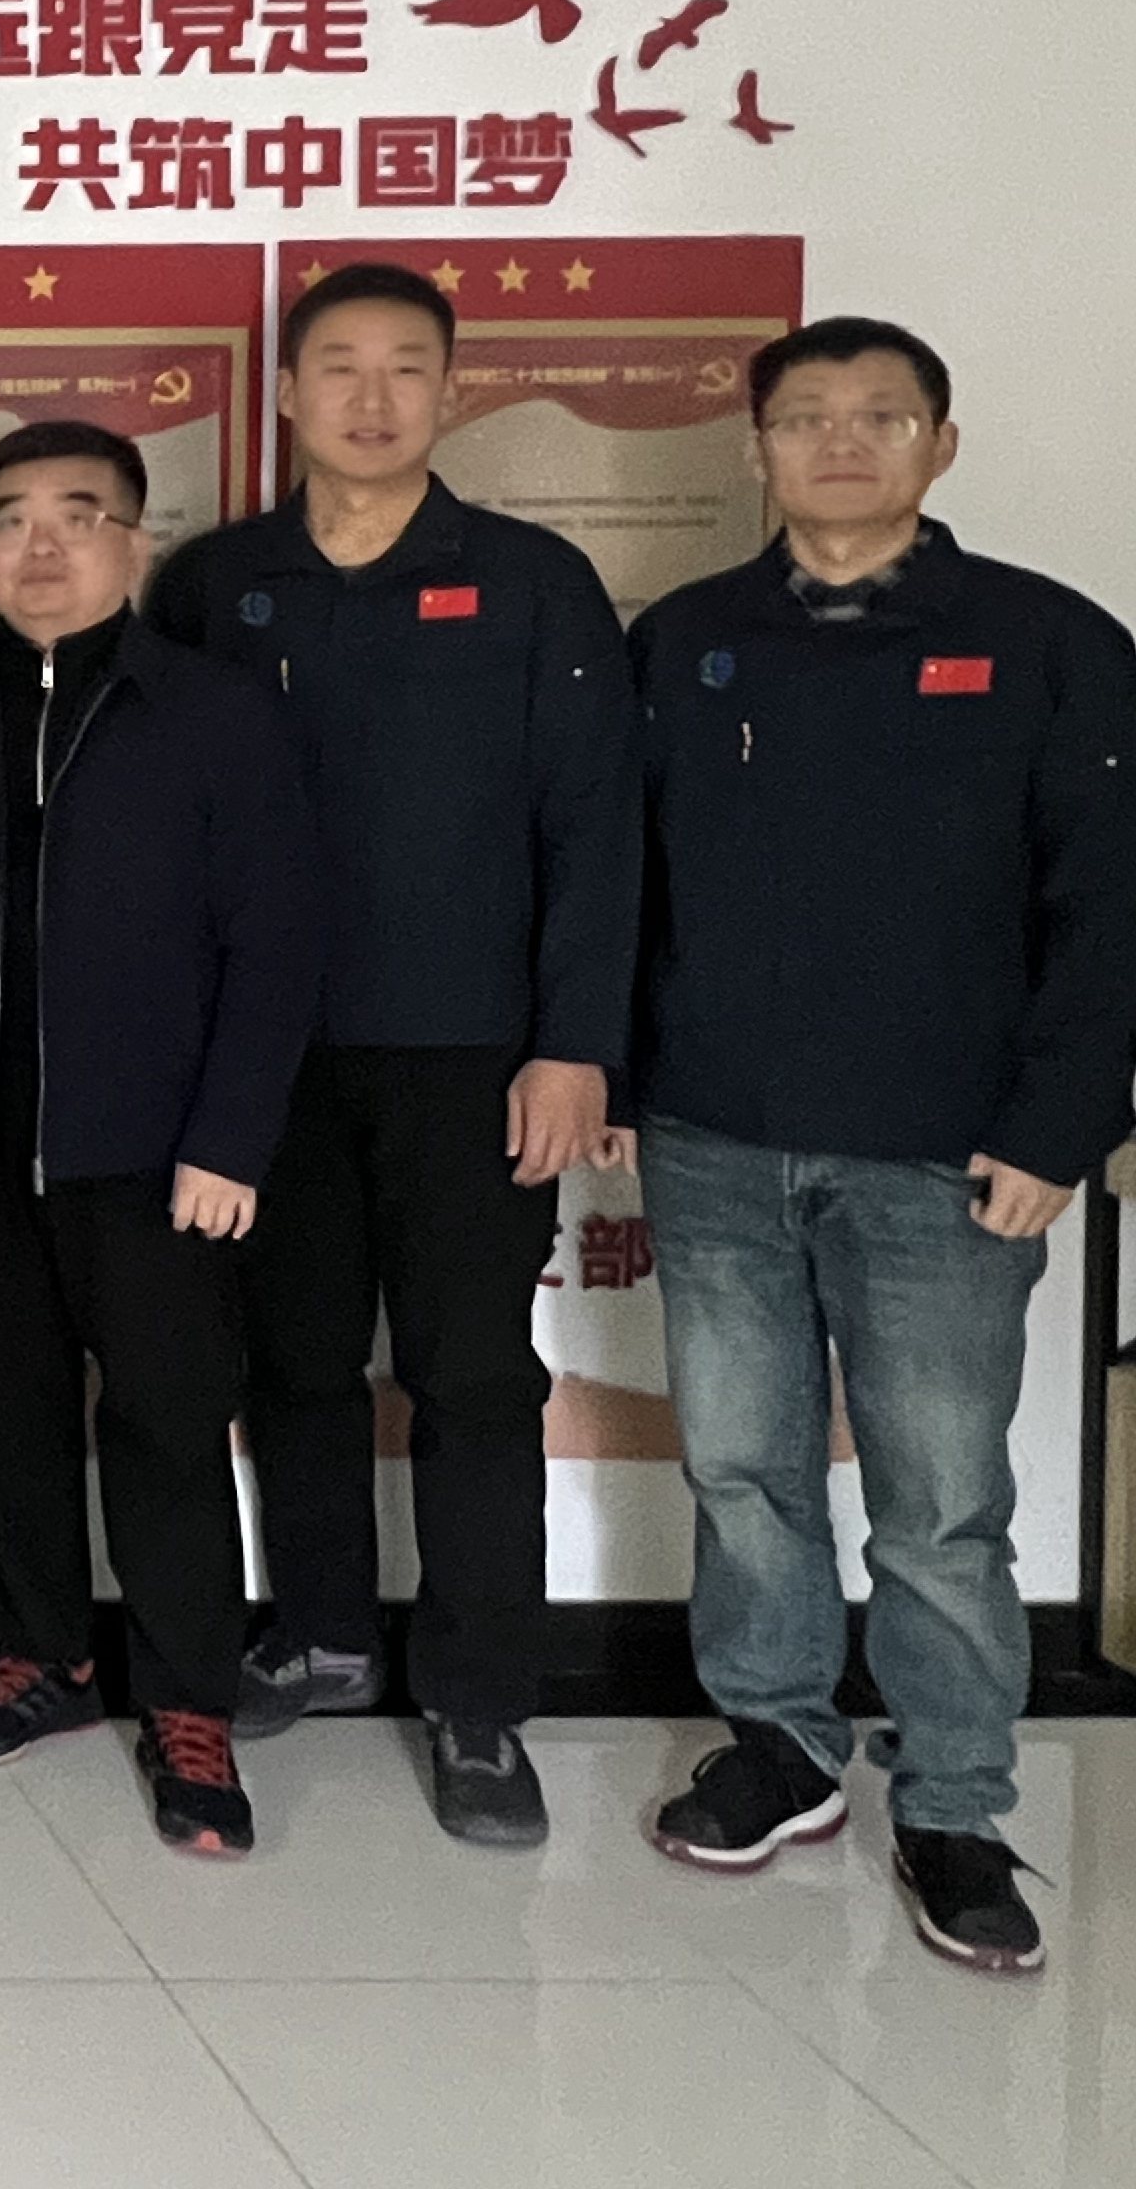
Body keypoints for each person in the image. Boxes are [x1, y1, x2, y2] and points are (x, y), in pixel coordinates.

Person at [621, 317, 1136, 1977]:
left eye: (881, 417)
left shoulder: (1050, 642)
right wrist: (619, 1073)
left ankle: (957, 1806)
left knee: (938, 1504)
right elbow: (626, 880)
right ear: (756, 449)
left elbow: (1111, 906)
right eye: (807, 419)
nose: (841, 443)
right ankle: (780, 1743)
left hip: (948, 1152)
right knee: (741, 1469)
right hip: (713, 1133)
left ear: (941, 444)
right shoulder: (687, 640)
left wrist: (1063, 1123)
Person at [145, 263, 639, 1848]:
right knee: (293, 1363)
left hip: (473, 1058)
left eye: (406, 367)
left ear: (451, 391)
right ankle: (326, 1630)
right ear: (287, 395)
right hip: (265, 1062)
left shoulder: (531, 583)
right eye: (340, 367)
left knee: (472, 1376)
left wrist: (577, 1047)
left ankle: (481, 1699)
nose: (372, 398)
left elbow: (595, 830)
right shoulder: (217, 585)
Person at [0, 421, 317, 1858]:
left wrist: (232, 1138)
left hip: (158, 1154)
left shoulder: (213, 712)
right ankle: (44, 1654)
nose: (41, 547)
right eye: (10, 518)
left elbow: (275, 940)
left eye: (77, 517)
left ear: (135, 539)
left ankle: (189, 1699)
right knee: (3, 1413)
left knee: (168, 1425)